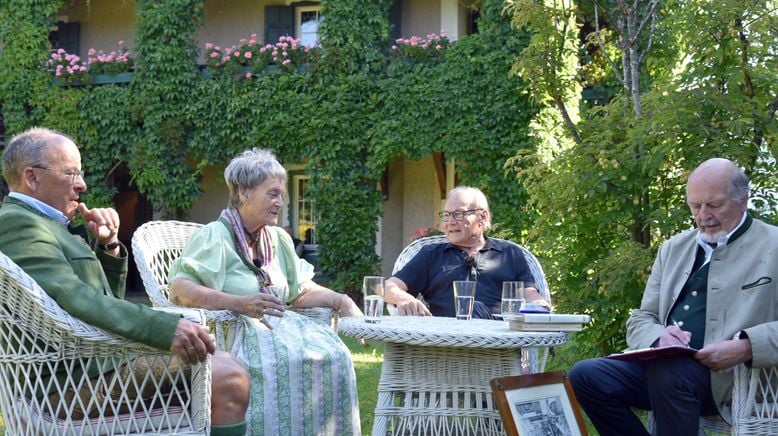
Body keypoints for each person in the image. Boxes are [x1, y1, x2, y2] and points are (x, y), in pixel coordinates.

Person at [0, 127, 249, 435]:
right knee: (227, 375)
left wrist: (109, 246)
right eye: (71, 173)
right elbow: (75, 300)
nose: (82, 184)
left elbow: (98, 300)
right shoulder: (18, 223)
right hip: (65, 386)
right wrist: (166, 327)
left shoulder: (49, 225)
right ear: (32, 177)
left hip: (96, 366)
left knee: (222, 364)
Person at [568, 158, 778, 435]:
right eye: (695, 206)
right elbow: (642, 317)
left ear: (743, 201)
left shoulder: (773, 244)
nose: (703, 216)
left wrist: (746, 347)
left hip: (737, 380)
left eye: (714, 205)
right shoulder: (674, 248)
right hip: (666, 373)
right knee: (586, 376)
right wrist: (658, 337)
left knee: (669, 373)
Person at [167, 147, 363, 435]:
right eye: (272, 194)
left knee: (336, 357)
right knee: (283, 365)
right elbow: (181, 288)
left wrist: (340, 299)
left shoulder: (276, 238)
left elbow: (298, 293)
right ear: (244, 193)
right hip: (235, 338)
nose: (280, 202)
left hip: (285, 333)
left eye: (281, 195)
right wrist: (239, 303)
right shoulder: (216, 236)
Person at [383, 186, 550, 318]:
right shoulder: (431, 254)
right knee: (474, 309)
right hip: (445, 342)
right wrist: (401, 297)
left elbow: (530, 295)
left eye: (459, 214)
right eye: (447, 215)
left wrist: (542, 308)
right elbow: (387, 288)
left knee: (477, 309)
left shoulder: (510, 254)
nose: (450, 222)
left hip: (500, 342)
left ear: (482, 217)